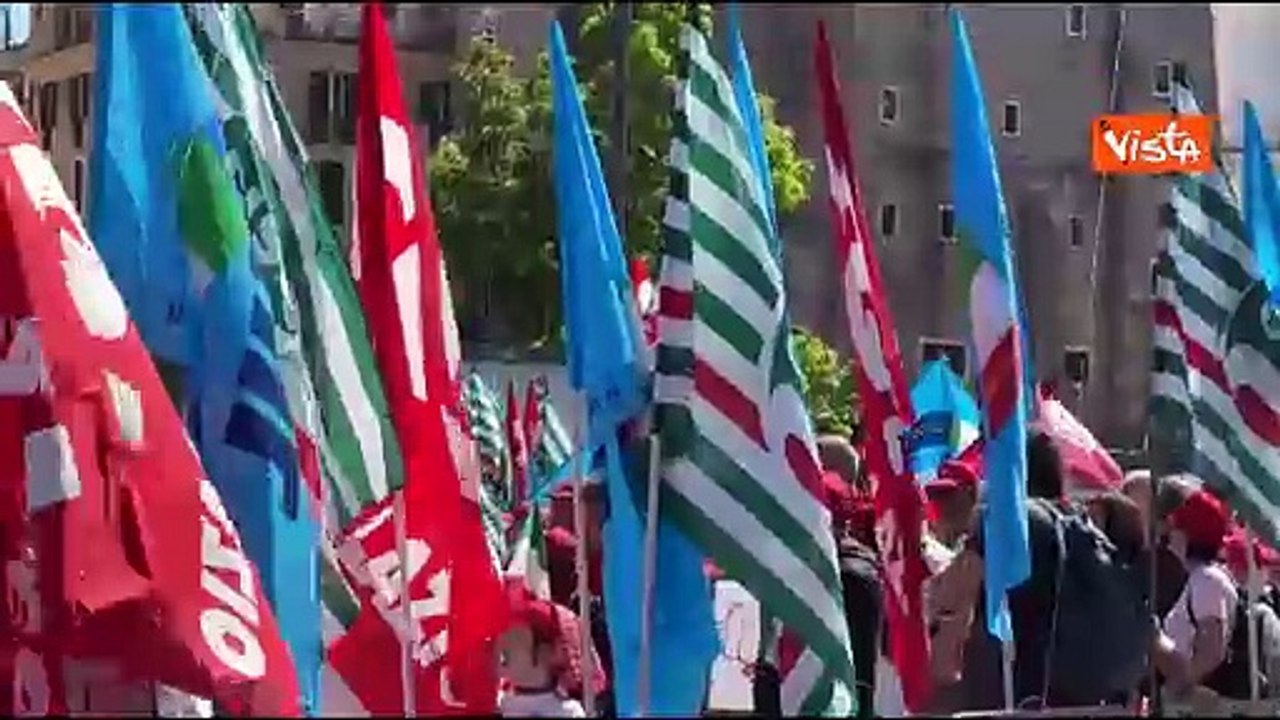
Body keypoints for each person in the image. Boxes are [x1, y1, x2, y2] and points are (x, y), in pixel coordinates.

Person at [1151, 489, 1238, 704]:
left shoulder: (1207, 580)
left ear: (1188, 534)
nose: (1169, 534)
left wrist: (1175, 689)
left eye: (1175, 527)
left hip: (1196, 705)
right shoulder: (1201, 579)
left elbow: (1211, 651)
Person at [497, 592, 587, 718]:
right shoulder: (499, 704)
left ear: (547, 653)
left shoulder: (567, 712)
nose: (505, 644)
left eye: (517, 639)